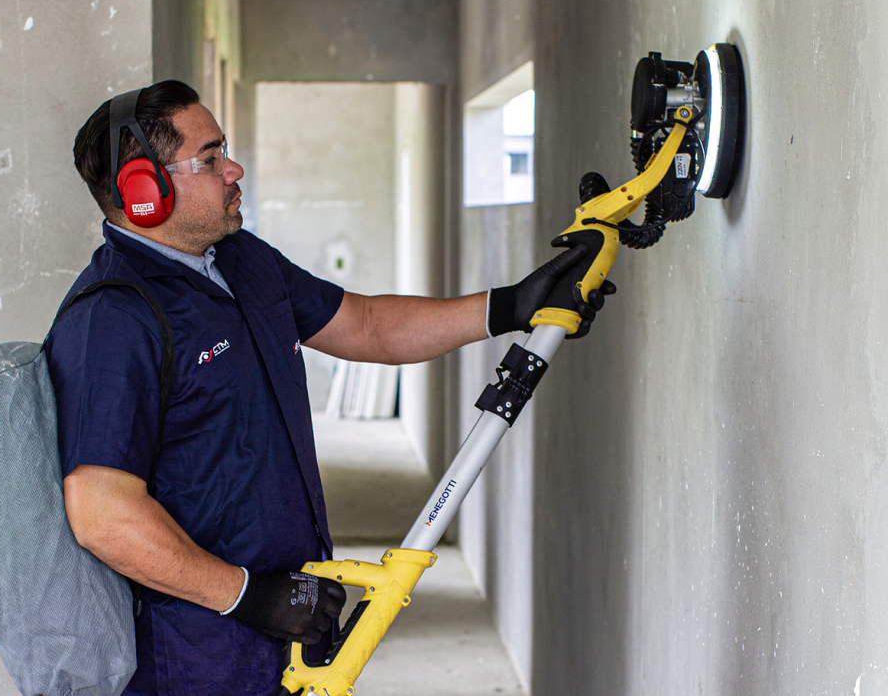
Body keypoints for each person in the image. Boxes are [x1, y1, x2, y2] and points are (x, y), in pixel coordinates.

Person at [46, 80, 614, 695]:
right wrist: (246, 596)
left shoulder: (241, 261)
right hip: (198, 656)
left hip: (289, 618)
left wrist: (509, 306)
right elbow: (102, 515)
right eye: (209, 159)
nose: (234, 169)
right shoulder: (112, 319)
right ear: (143, 190)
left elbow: (367, 326)